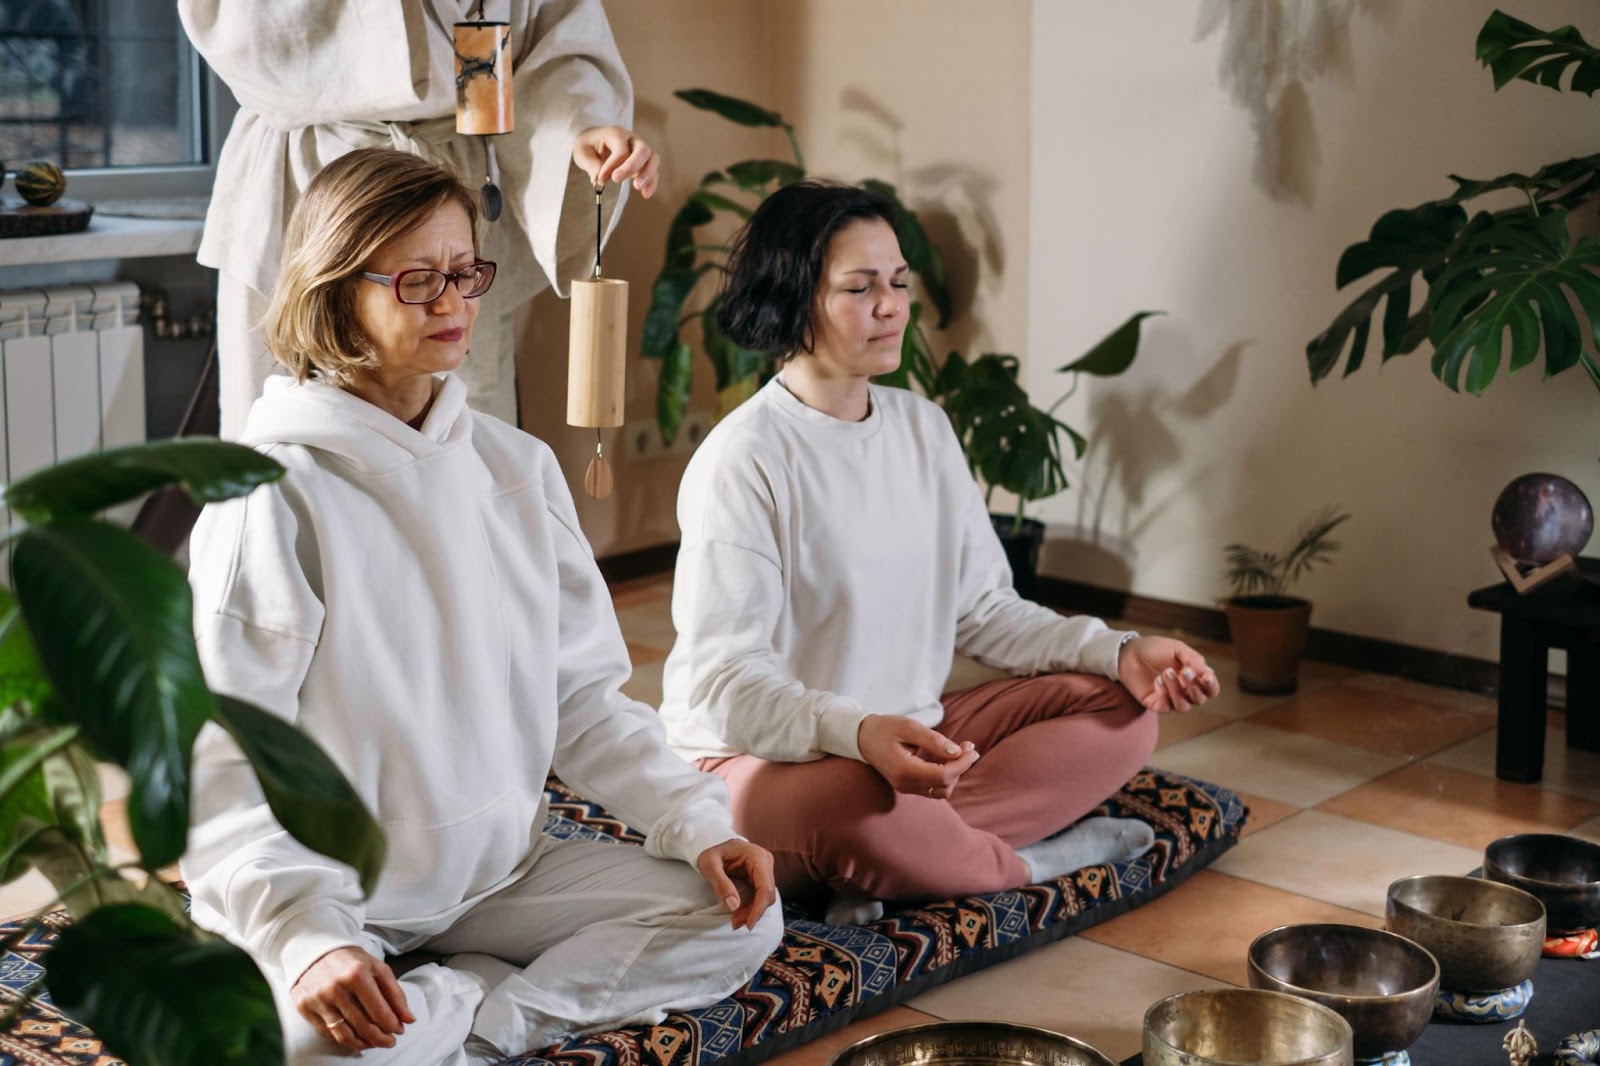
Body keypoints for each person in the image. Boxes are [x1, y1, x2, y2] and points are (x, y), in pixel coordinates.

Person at [182, 148, 780, 1066]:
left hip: (505, 873)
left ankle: (486, 1020)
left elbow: (582, 700)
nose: (454, 304)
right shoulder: (269, 493)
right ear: (336, 291)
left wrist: (697, 820)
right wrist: (308, 938)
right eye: (418, 281)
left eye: (465, 273)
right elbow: (222, 758)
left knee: (738, 917)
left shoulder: (516, 469)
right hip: (338, 891)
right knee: (298, 1049)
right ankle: (447, 997)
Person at [657, 182, 1223, 924]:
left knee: (1125, 707)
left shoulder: (923, 429)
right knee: (854, 798)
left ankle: (902, 860)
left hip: (906, 749)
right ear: (793, 301)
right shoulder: (745, 459)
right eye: (861, 288)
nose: (891, 306)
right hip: (758, 767)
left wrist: (1119, 649)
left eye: (898, 283)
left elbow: (985, 610)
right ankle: (1028, 863)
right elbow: (725, 683)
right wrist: (855, 735)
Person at [177, 0, 659, 433]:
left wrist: (580, 126)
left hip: (451, 178)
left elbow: (558, 41)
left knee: (462, 432)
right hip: (314, 174)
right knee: (298, 425)